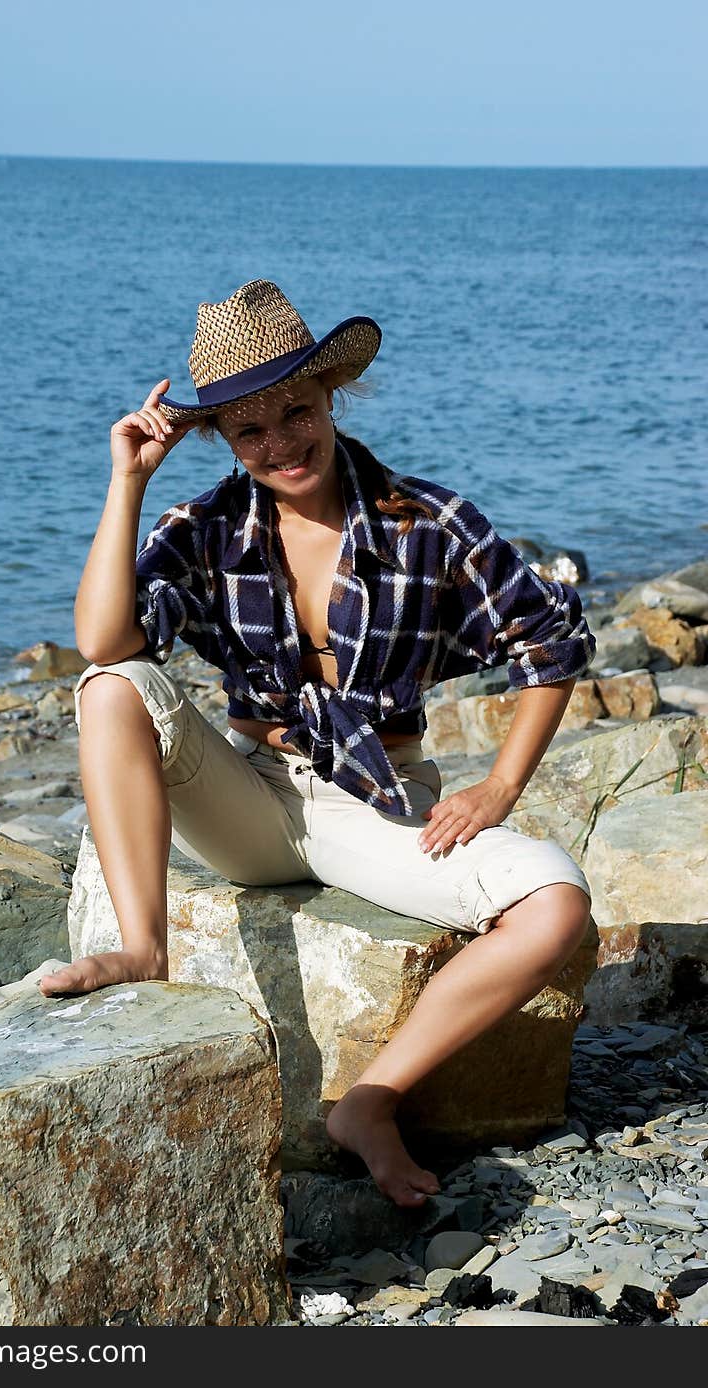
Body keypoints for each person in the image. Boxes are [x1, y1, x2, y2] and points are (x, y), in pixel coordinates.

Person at [39, 280, 597, 1208]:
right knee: (110, 687)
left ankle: (368, 1102)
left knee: (554, 900)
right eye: (249, 430)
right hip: (253, 800)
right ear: (217, 437)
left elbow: (552, 640)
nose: (280, 443)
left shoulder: (429, 521)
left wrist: (499, 787)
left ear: (331, 393)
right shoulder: (207, 527)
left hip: (376, 804)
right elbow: (105, 639)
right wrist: (129, 479)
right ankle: (144, 948)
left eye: (295, 411)